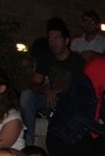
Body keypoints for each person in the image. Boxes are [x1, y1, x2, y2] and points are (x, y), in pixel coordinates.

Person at [45, 56, 105, 156]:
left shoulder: (95, 89)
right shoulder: (80, 86)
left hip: (76, 138)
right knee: (104, 145)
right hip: (64, 142)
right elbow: (81, 116)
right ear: (102, 74)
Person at [20, 18, 85, 146]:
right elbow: (34, 83)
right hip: (49, 98)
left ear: (66, 41)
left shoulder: (77, 60)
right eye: (50, 39)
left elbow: (80, 87)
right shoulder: (46, 58)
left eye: (57, 38)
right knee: (26, 95)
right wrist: (47, 91)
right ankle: (29, 143)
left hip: (69, 100)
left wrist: (57, 92)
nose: (53, 42)